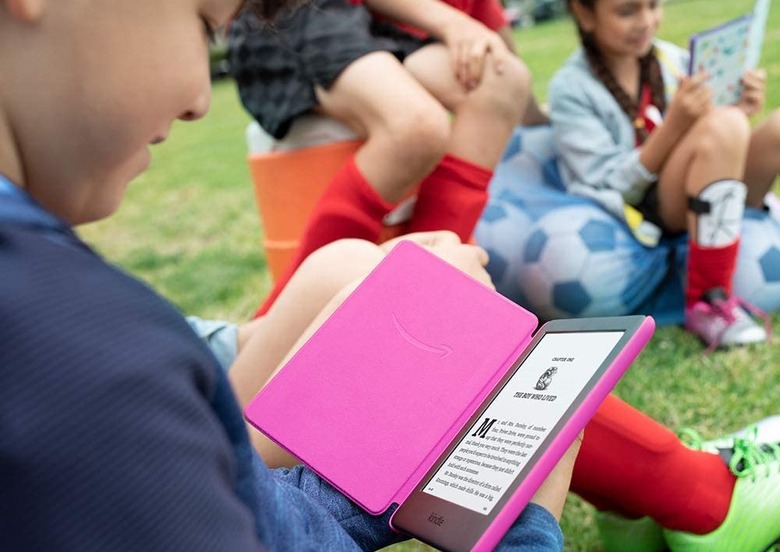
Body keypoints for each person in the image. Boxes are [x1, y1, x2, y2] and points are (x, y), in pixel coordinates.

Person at [0, 0, 581, 550]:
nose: (200, 99)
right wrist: (527, 525)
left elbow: (243, 490)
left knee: (349, 267)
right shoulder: (79, 356)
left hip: (276, 492)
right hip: (267, 498)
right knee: (541, 422)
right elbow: (240, 507)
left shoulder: (76, 325)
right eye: (205, 25)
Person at [229, 0, 547, 316]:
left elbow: (493, 35)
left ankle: (420, 297)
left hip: (390, 36)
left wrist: (532, 114)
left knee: (504, 83)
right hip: (300, 14)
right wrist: (450, 22)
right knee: (416, 127)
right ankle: (280, 320)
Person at [547, 0, 780, 351]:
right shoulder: (572, 88)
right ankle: (707, 301)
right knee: (724, 124)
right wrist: (674, 127)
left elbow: (717, 137)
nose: (646, 21)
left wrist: (738, 109)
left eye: (654, 5)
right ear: (583, 13)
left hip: (707, 188)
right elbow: (607, 184)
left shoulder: (675, 61)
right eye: (627, 12)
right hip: (649, 207)